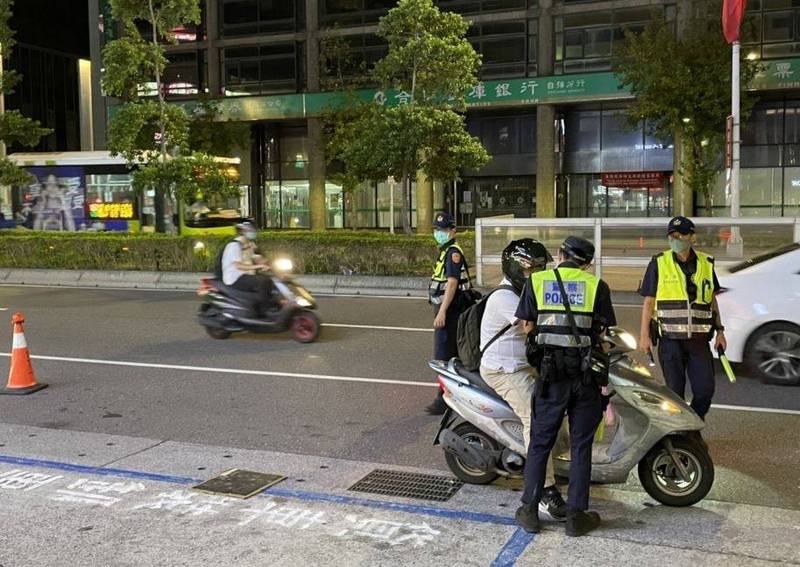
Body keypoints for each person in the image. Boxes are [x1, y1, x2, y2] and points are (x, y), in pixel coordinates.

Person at [514, 236, 616, 537]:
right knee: (581, 445)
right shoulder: (597, 286)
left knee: (540, 442)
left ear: (560, 254)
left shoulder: (537, 281)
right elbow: (603, 333)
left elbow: (527, 326)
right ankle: (575, 517)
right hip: (584, 377)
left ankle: (531, 512)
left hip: (550, 376)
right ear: (587, 263)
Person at [479, 238, 568, 522]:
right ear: (517, 269)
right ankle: (544, 491)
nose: (539, 274)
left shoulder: (527, 290)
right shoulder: (505, 297)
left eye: (542, 269)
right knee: (537, 417)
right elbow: (534, 325)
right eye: (534, 269)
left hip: (526, 365)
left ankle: (554, 463)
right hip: (504, 370)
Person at [639, 216, 725, 425]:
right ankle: (680, 434)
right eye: (671, 236)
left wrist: (720, 331)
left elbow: (711, 299)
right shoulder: (659, 262)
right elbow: (649, 302)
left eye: (680, 235)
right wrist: (643, 336)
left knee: (705, 391)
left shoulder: (706, 263)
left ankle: (693, 423)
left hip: (699, 341)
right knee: (674, 395)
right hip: (670, 341)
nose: (675, 239)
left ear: (692, 237)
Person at [426, 211, 474, 415]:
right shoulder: (446, 250)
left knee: (443, 355)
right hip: (450, 309)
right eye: (437, 230)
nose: (439, 233)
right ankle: (451, 396)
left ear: (453, 231)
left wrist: (442, 312)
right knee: (452, 354)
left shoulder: (453, 252)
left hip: (452, 310)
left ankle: (444, 399)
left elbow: (452, 283)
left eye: (443, 230)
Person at [219, 221, 274, 315]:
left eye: (253, 229)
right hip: (235, 278)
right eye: (250, 230)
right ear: (242, 232)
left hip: (246, 274)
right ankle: (263, 311)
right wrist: (260, 266)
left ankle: (268, 304)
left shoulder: (248, 244)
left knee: (270, 280)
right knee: (263, 282)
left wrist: (270, 264)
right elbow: (238, 266)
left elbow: (256, 258)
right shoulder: (234, 245)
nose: (253, 231)